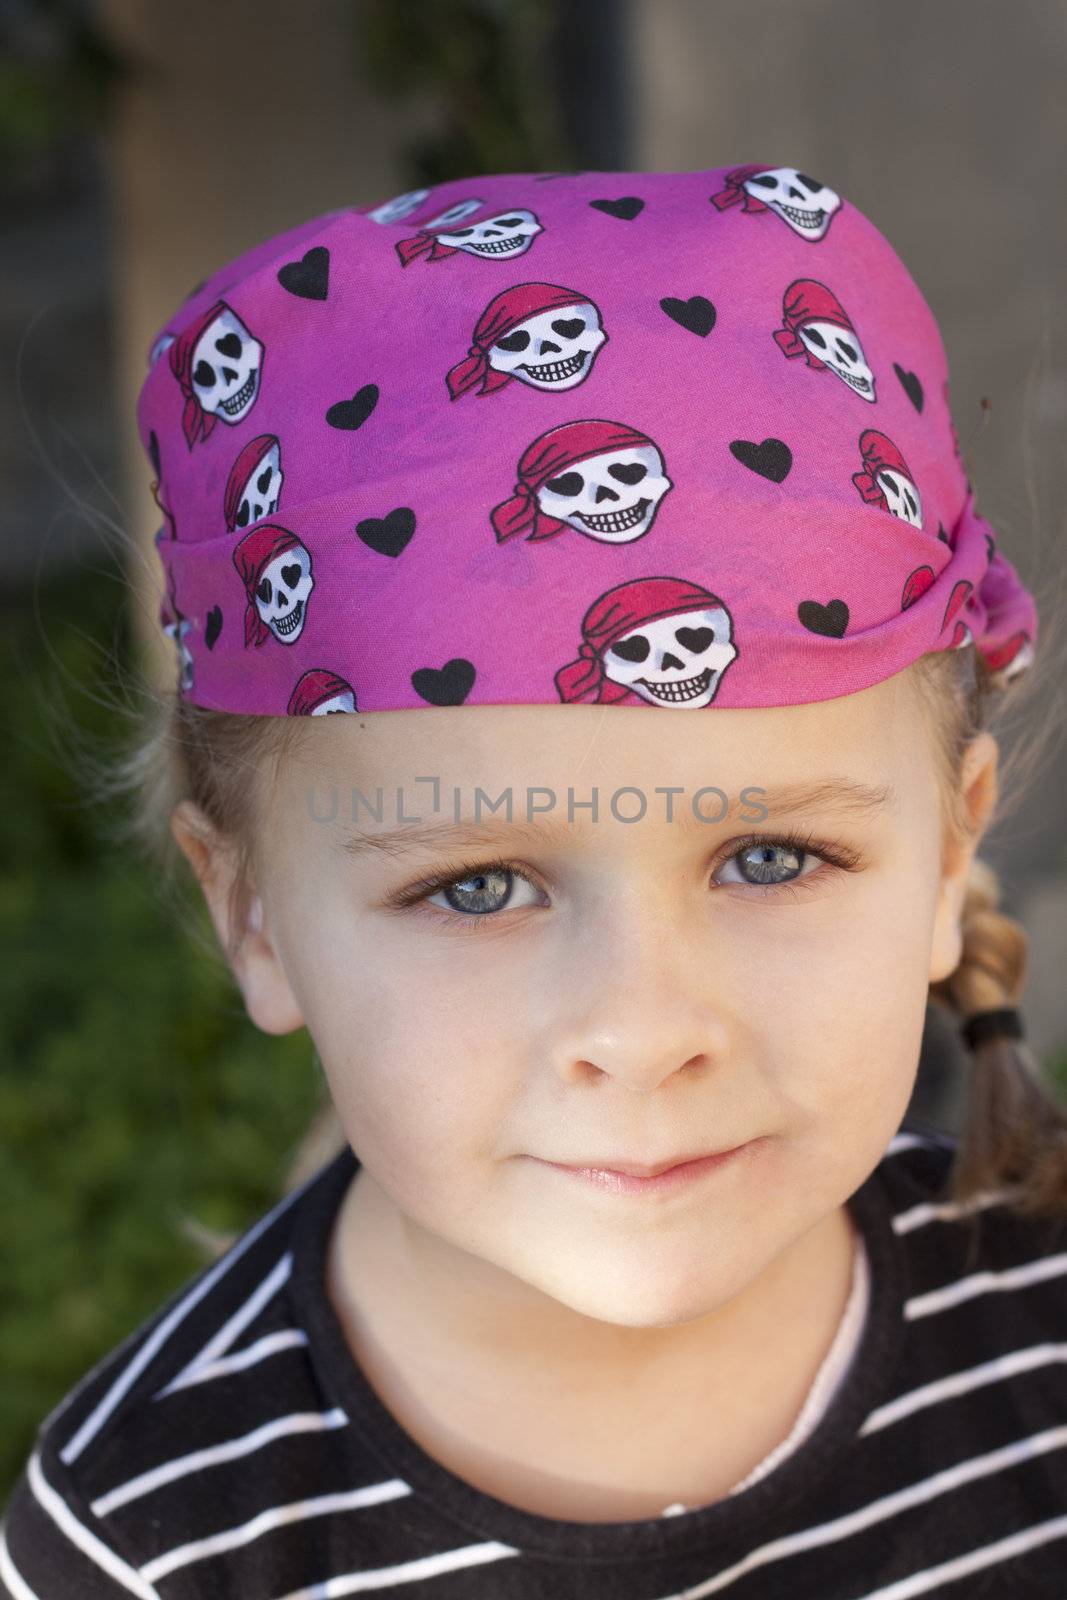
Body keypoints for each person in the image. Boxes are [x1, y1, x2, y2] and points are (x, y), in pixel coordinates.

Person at [3, 160, 1066, 1598]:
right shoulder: (147, 1548)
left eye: (771, 857)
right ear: (251, 913)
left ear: (948, 854)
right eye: (479, 885)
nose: (641, 1029)